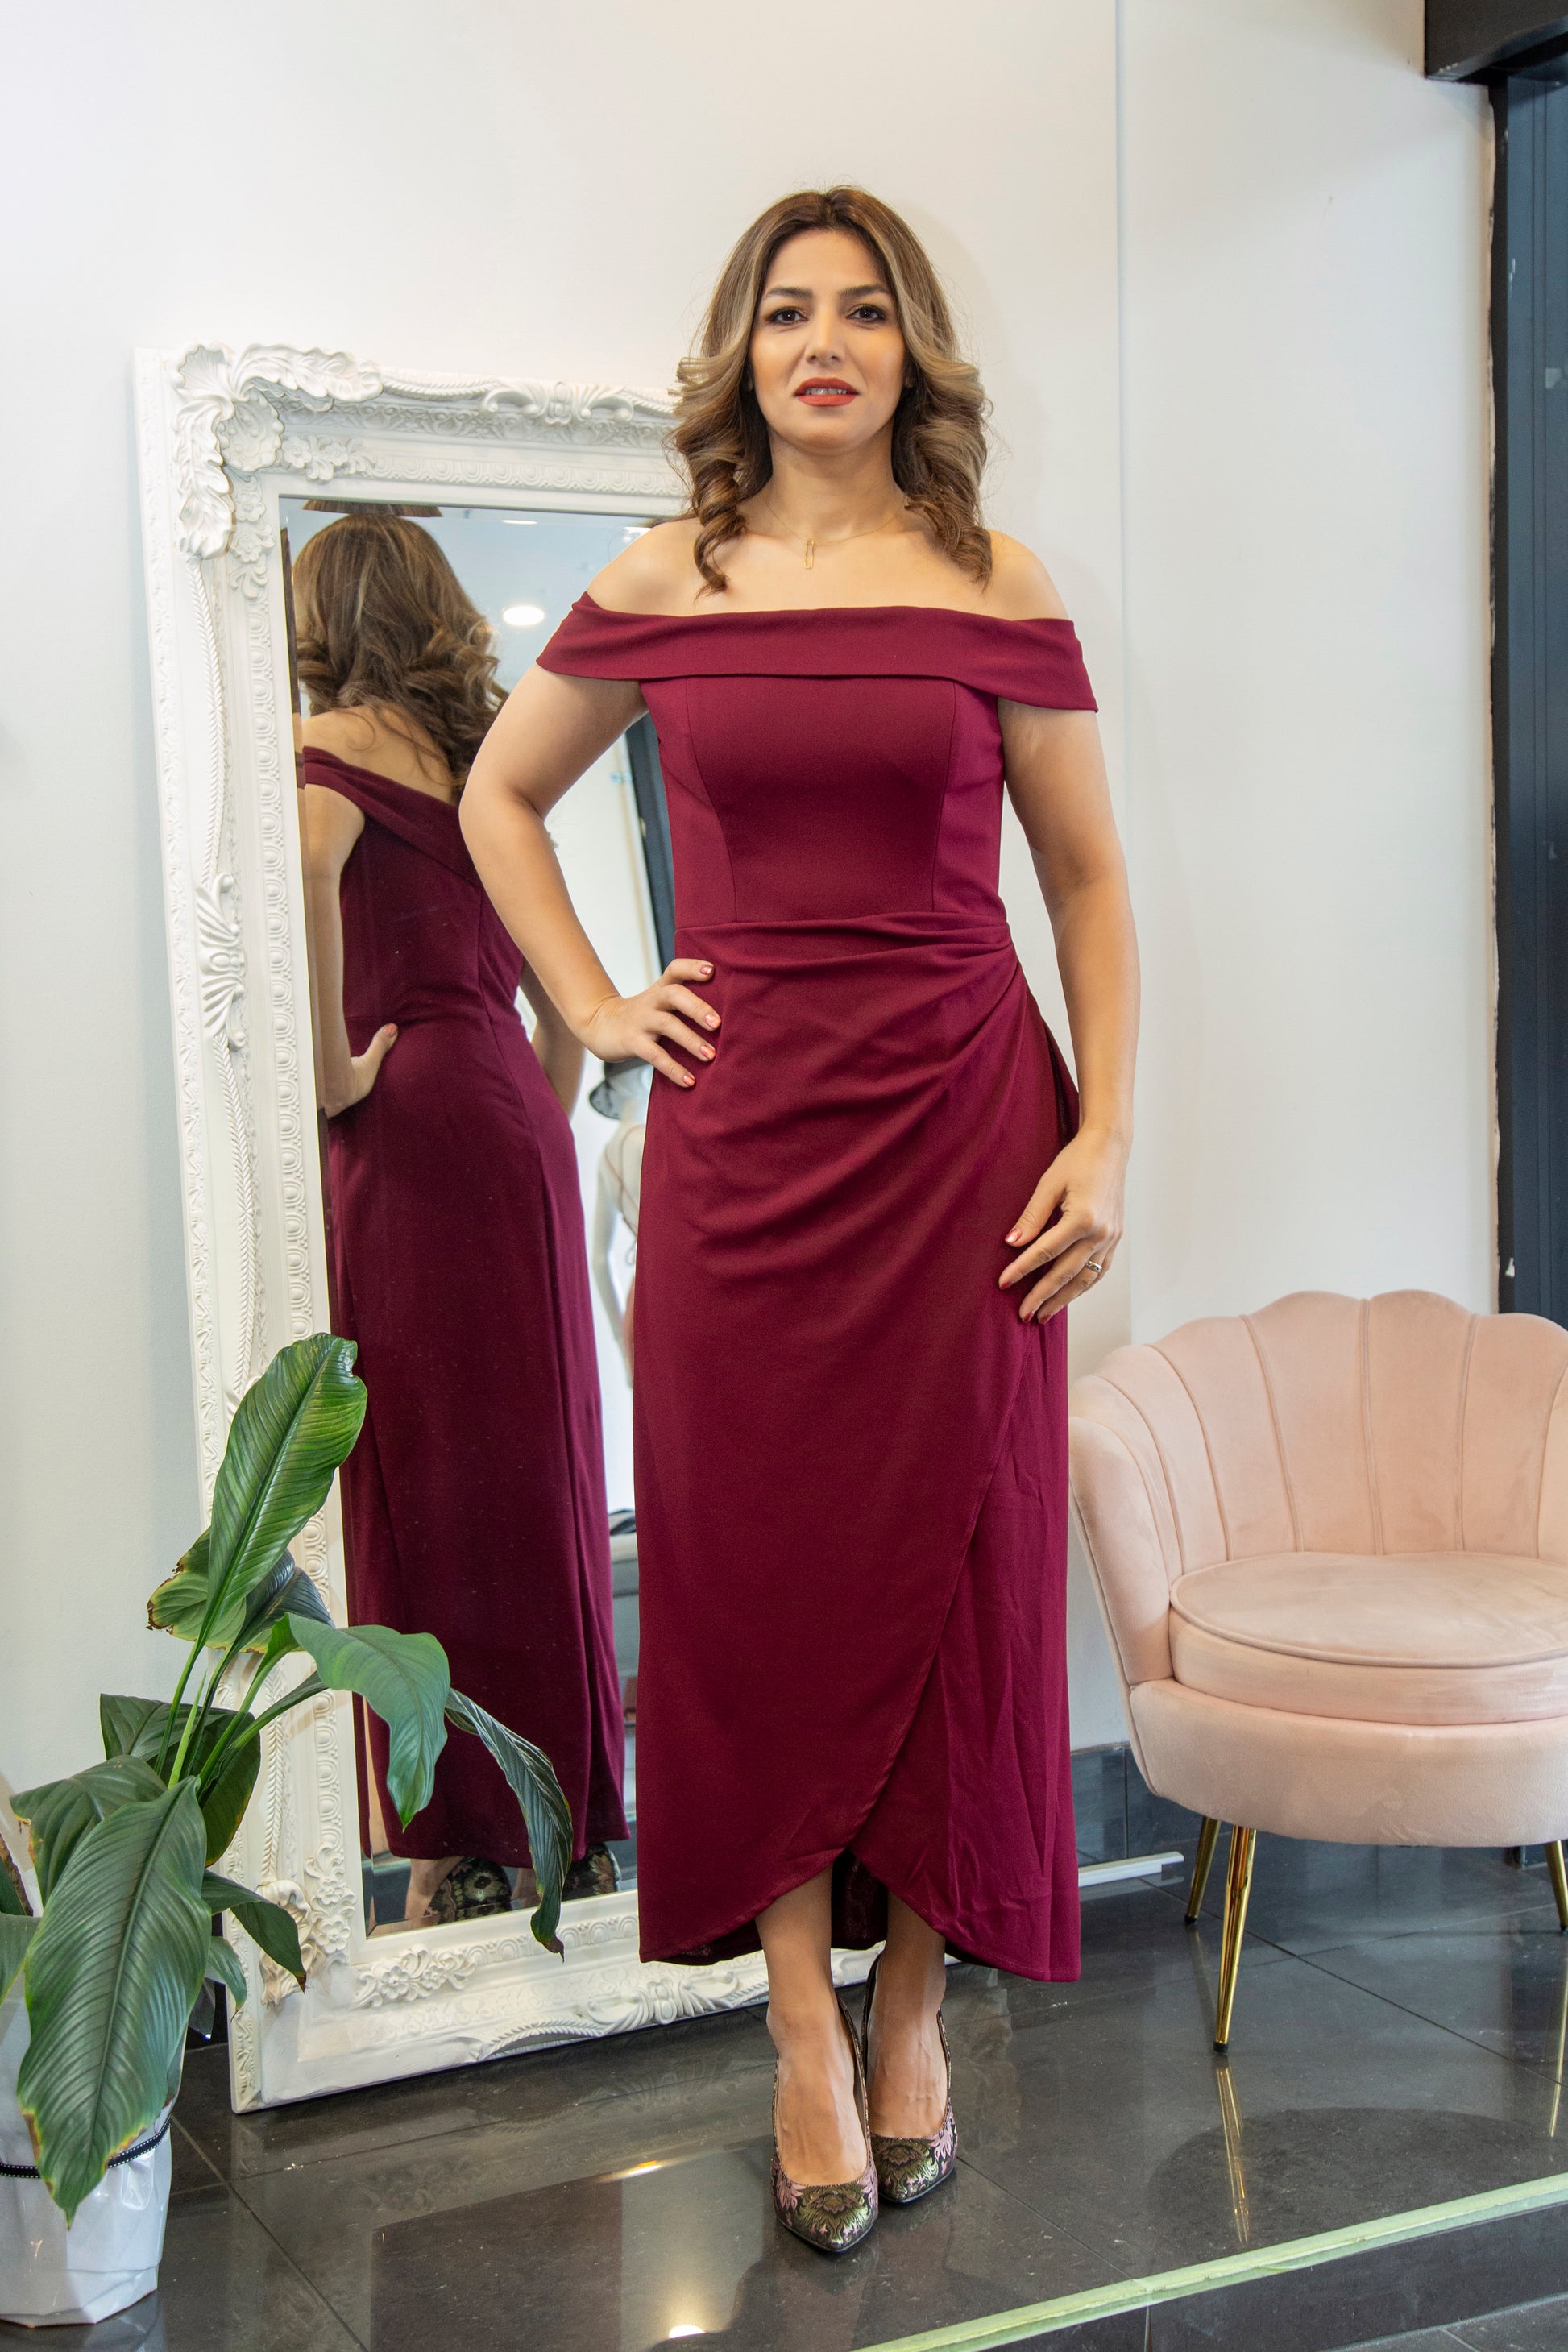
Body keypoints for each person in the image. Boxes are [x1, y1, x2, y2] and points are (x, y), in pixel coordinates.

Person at [461, 188, 1137, 2250]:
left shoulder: (991, 578)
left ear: (912, 348)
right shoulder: (665, 574)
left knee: (969, 1570)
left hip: (961, 1124)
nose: (820, 341)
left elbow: (1087, 880)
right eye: (783, 311)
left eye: (860, 310)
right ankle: (794, 2026)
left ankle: (915, 1998)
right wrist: (590, 1002)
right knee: (751, 1575)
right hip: (745, 1143)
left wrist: (1103, 1134)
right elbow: (499, 795)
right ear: (738, 352)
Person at [293, 511, 627, 1928]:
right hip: (505, 1115)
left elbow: (311, 870)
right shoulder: (487, 763)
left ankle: (456, 1835)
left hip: (411, 1121)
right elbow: (568, 999)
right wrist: (539, 1115)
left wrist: (333, 1070)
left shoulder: (331, 757)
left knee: (424, 1480)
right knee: (538, 1464)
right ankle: (570, 1813)